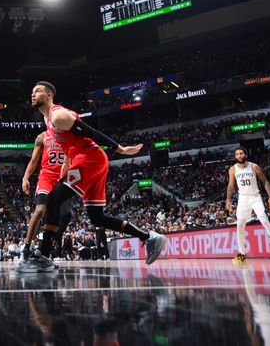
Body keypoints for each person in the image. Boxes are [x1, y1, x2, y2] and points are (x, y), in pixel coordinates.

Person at [19, 81, 167, 272]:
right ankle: (149, 237)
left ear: (49, 96)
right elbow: (70, 145)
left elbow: (90, 132)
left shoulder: (57, 115)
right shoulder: (47, 120)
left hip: (90, 159)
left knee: (54, 198)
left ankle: (43, 256)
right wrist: (65, 165)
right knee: (97, 218)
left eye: (37, 91)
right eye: (32, 91)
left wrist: (119, 148)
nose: (33, 94)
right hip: (91, 161)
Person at [226, 147, 270, 263]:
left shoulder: (254, 166)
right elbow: (230, 186)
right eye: (237, 154)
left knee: (265, 221)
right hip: (243, 199)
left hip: (255, 197)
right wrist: (228, 199)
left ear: (245, 155)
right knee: (240, 225)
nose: (239, 156)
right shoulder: (233, 169)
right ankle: (241, 253)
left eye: (241, 153)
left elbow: (264, 181)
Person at [19, 131, 71, 262]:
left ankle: (46, 250)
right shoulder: (42, 136)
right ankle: (26, 247)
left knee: (65, 215)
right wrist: (25, 178)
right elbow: (33, 161)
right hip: (46, 177)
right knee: (40, 210)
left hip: (63, 179)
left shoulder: (70, 135)